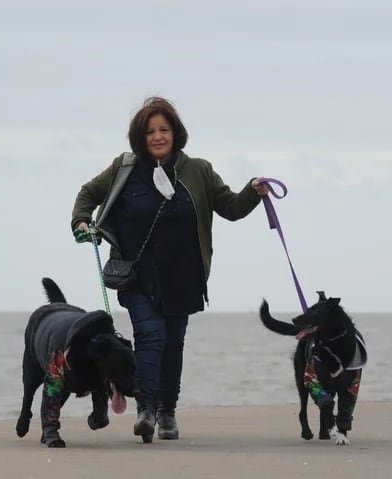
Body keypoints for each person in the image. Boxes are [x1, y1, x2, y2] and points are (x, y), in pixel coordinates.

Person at [70, 96, 268, 442]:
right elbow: (88, 193)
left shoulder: (199, 170)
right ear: (140, 137)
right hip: (136, 275)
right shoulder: (124, 168)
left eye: (164, 129)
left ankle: (167, 413)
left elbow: (231, 208)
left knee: (173, 344)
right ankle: (146, 410)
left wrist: (253, 192)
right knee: (151, 337)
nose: (158, 137)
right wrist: (81, 222)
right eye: (150, 132)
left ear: (176, 133)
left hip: (184, 277)